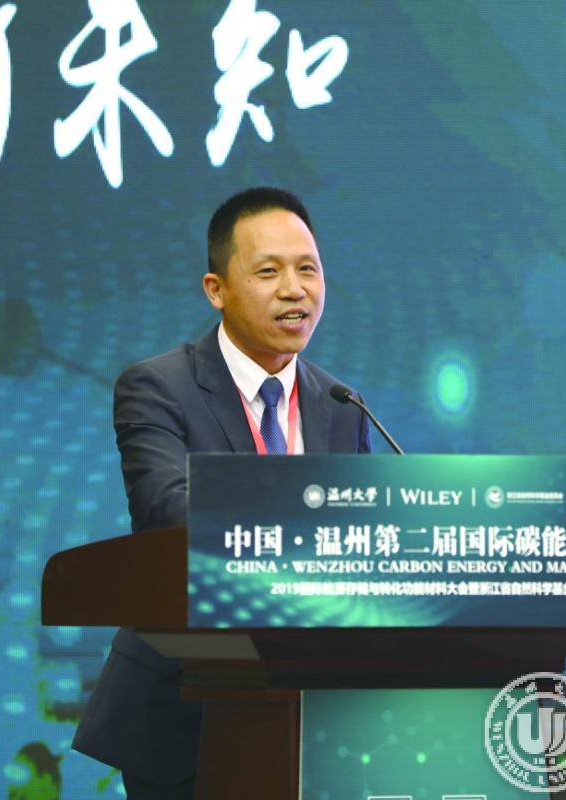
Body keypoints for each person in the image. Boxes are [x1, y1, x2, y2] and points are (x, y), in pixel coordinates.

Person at [72, 187, 373, 799]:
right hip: (185, 713)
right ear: (216, 289)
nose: (294, 290)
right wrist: (311, 519)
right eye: (268, 272)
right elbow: (168, 511)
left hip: (315, 717)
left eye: (308, 269)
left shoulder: (342, 405)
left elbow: (365, 538)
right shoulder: (158, 387)